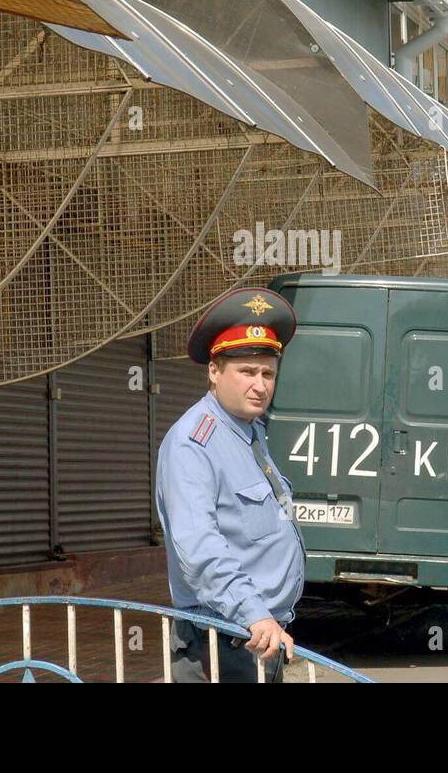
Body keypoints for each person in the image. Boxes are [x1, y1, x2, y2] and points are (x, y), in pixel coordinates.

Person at [156, 287, 304, 682]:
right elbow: (199, 548)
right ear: (214, 371)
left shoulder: (249, 433)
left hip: (255, 638)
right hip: (220, 641)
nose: (260, 385)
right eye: (247, 372)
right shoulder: (194, 443)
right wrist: (253, 612)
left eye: (268, 373)